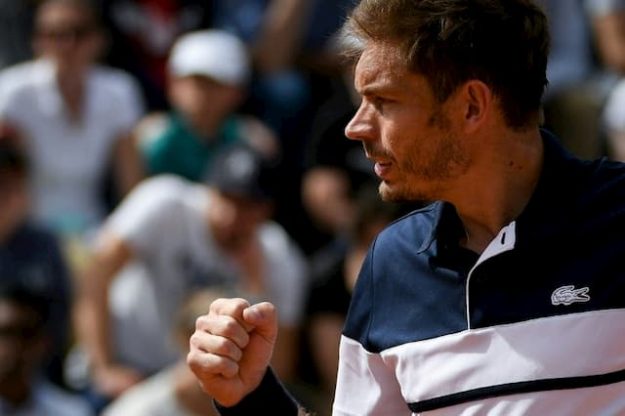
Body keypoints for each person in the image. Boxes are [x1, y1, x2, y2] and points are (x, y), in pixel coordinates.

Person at [187, 0, 625, 415]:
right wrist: (252, 399)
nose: (355, 127)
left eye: (383, 101)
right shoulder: (389, 263)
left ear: (471, 106)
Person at [75, 142, 309, 412]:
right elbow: (96, 274)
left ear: (267, 209)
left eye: (247, 205)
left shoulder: (279, 257)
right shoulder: (166, 203)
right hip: (126, 369)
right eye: (227, 197)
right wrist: (104, 367)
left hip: (203, 391)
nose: (233, 215)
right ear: (208, 189)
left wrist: (256, 289)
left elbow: (279, 368)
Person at [0, 0, 145, 241]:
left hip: (97, 231)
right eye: (54, 34)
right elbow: (9, 182)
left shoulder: (120, 91)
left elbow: (131, 184)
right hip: (25, 233)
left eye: (78, 32)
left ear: (100, 39)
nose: (66, 44)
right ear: (37, 41)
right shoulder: (11, 92)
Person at [134, 28, 278, 183]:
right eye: (195, 82)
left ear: (239, 91)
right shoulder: (147, 138)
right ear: (171, 84)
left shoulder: (255, 142)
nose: (202, 93)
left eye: (215, 84)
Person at [0, 133, 74, 389]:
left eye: (14, 187)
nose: (8, 198)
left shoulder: (44, 245)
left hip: (39, 377)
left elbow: (60, 318)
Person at [0, 282, 93, 416]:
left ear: (44, 342)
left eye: (25, 334)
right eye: (3, 333)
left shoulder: (71, 411)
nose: (12, 346)